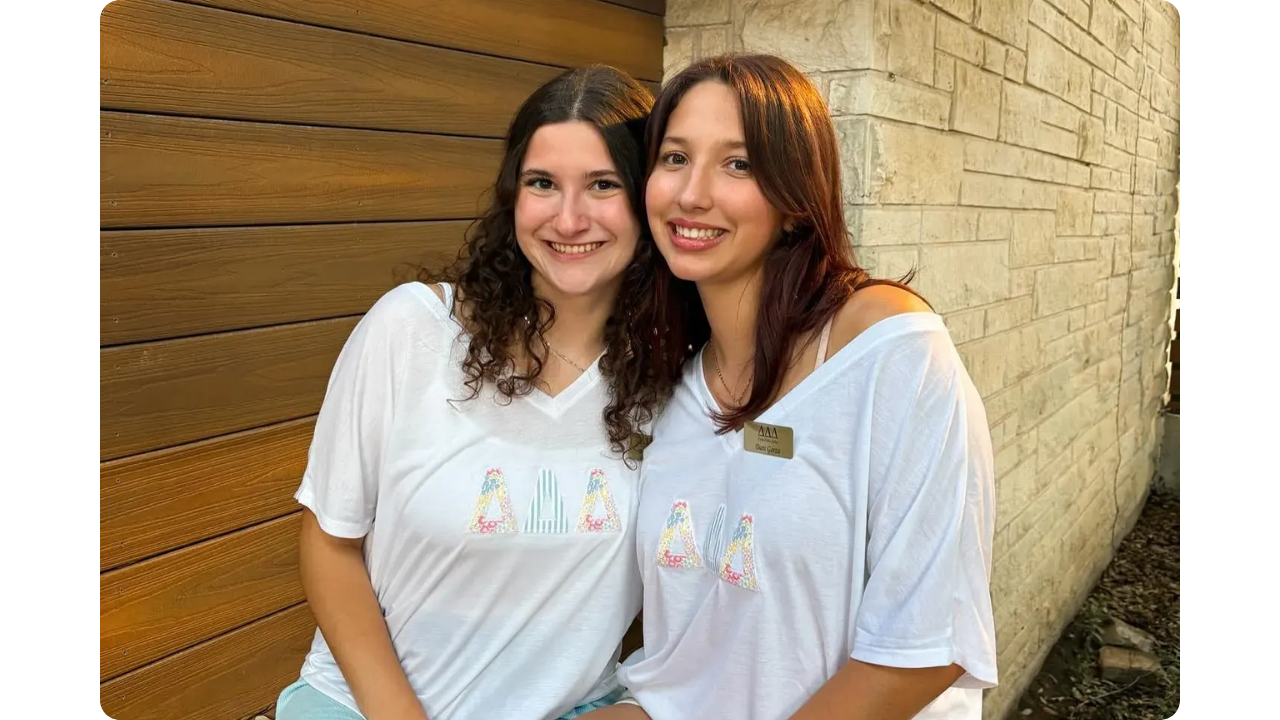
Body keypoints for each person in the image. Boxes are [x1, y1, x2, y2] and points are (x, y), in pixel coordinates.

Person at [273, 64, 680, 720]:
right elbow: (330, 539)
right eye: (543, 183)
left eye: (603, 185)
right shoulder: (413, 330)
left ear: (647, 199)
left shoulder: (674, 379)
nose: (570, 218)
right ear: (512, 197)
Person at [603, 53, 1000, 720]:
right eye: (675, 158)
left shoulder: (888, 349)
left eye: (739, 164)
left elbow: (932, 644)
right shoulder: (671, 382)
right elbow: (702, 650)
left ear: (794, 200)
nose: (692, 193)